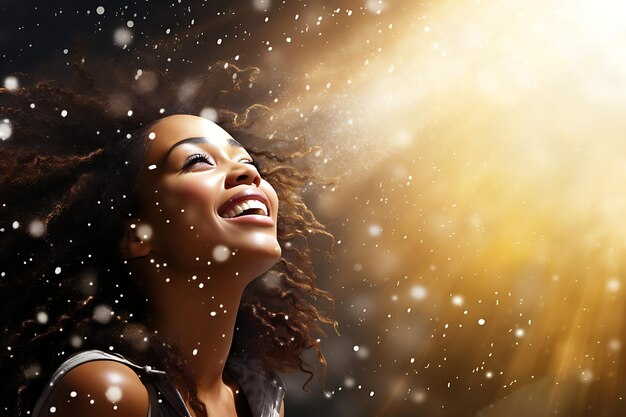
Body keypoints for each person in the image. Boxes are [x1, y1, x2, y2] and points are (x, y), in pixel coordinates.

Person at [0, 64, 335, 417]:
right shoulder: (107, 391)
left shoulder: (261, 395)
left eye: (248, 162)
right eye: (198, 161)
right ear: (135, 236)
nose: (249, 172)